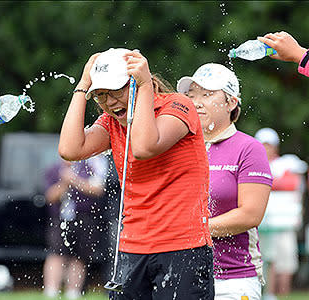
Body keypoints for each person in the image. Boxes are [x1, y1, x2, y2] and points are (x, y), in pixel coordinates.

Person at [58, 48, 214, 300]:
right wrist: (82, 86)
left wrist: (143, 85)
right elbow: (69, 149)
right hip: (132, 247)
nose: (109, 102)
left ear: (141, 81)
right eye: (100, 95)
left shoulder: (178, 105)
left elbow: (144, 147)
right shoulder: (111, 122)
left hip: (184, 247)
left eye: (117, 91)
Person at [177, 63, 273, 300]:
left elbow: (250, 214)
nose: (196, 102)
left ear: (231, 102)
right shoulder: (178, 146)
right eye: (191, 95)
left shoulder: (248, 148)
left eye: (207, 95)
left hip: (234, 279)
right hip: (181, 275)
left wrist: (190, 230)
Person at [42, 155, 108, 299]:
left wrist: (74, 180)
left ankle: (73, 292)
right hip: (60, 218)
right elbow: (50, 197)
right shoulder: (54, 169)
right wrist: (64, 183)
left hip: (85, 217)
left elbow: (98, 190)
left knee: (80, 256)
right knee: (57, 253)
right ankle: (51, 291)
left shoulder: (88, 168)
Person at [254, 128, 308, 300]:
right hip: (261, 224)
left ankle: (281, 296)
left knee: (285, 264)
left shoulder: (287, 162)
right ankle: (267, 295)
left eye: (269, 145)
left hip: (284, 223)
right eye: (263, 145)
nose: (266, 149)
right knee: (264, 261)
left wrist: (268, 182)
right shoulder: (252, 163)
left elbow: (292, 183)